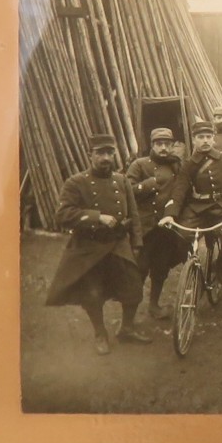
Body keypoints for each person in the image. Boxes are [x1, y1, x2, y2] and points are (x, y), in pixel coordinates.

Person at [46, 133, 151, 356]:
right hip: (90, 246)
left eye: (109, 153)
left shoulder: (121, 181)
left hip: (118, 243)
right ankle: (100, 333)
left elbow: (133, 213)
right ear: (89, 155)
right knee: (92, 294)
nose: (105, 157)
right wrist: (97, 217)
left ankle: (127, 328)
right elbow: (62, 215)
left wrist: (137, 243)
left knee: (133, 287)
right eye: (100, 153)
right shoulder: (76, 182)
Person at [159, 120, 222, 281]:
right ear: (194, 140)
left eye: (208, 136)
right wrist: (170, 214)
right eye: (201, 137)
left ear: (213, 138)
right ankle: (192, 266)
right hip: (199, 208)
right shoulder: (188, 165)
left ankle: (219, 265)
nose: (205, 140)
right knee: (181, 235)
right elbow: (179, 190)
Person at [126, 127, 186, 319]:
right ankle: (129, 317)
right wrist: (150, 183)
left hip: (166, 228)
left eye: (167, 144)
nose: (163, 148)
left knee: (161, 269)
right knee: (140, 270)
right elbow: (126, 191)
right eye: (159, 144)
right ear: (152, 145)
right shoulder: (139, 164)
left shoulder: (176, 165)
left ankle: (154, 306)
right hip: (144, 228)